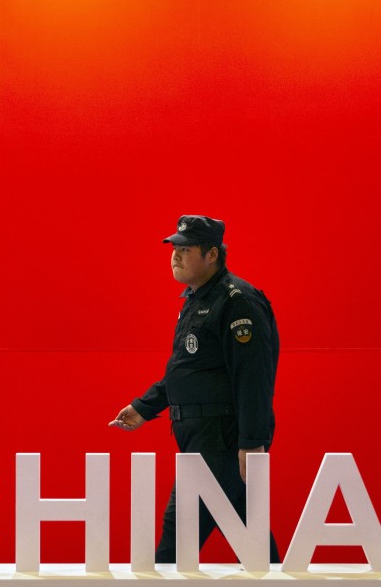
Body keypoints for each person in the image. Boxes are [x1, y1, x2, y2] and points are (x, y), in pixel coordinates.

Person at [109, 214, 280, 564]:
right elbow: (188, 371)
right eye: (174, 248)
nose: (175, 255)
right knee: (254, 543)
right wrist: (145, 406)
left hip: (221, 438)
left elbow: (253, 378)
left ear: (212, 254)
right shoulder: (197, 299)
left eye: (186, 249)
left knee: (175, 542)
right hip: (199, 437)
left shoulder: (237, 302)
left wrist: (251, 443)